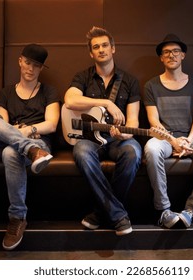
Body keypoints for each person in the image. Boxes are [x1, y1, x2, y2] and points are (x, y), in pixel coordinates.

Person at [142, 34, 193, 229]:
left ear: (183, 56)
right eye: (166, 52)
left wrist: (187, 141)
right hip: (164, 138)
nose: (171, 55)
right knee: (152, 150)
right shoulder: (151, 85)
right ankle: (164, 210)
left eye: (175, 51)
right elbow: (154, 121)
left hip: (190, 139)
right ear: (161, 58)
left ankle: (191, 210)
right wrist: (173, 141)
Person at [63, 26, 142, 236]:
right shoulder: (83, 77)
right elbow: (70, 100)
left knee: (133, 152)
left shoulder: (130, 82)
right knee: (80, 152)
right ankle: (118, 215)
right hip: (90, 140)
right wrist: (106, 102)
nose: (101, 50)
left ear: (113, 48)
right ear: (91, 53)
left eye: (105, 45)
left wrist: (126, 133)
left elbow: (133, 120)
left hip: (118, 140)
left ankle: (100, 212)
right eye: (96, 47)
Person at [0, 44, 60, 250]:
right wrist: (23, 136)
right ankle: (31, 151)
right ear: (20, 61)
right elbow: (1, 128)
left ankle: (17, 218)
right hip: (28, 147)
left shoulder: (49, 91)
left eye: (36, 65)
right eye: (27, 63)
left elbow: (51, 124)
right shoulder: (6, 93)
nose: (30, 68)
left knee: (10, 153)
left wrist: (25, 131)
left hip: (40, 144)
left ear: (41, 69)